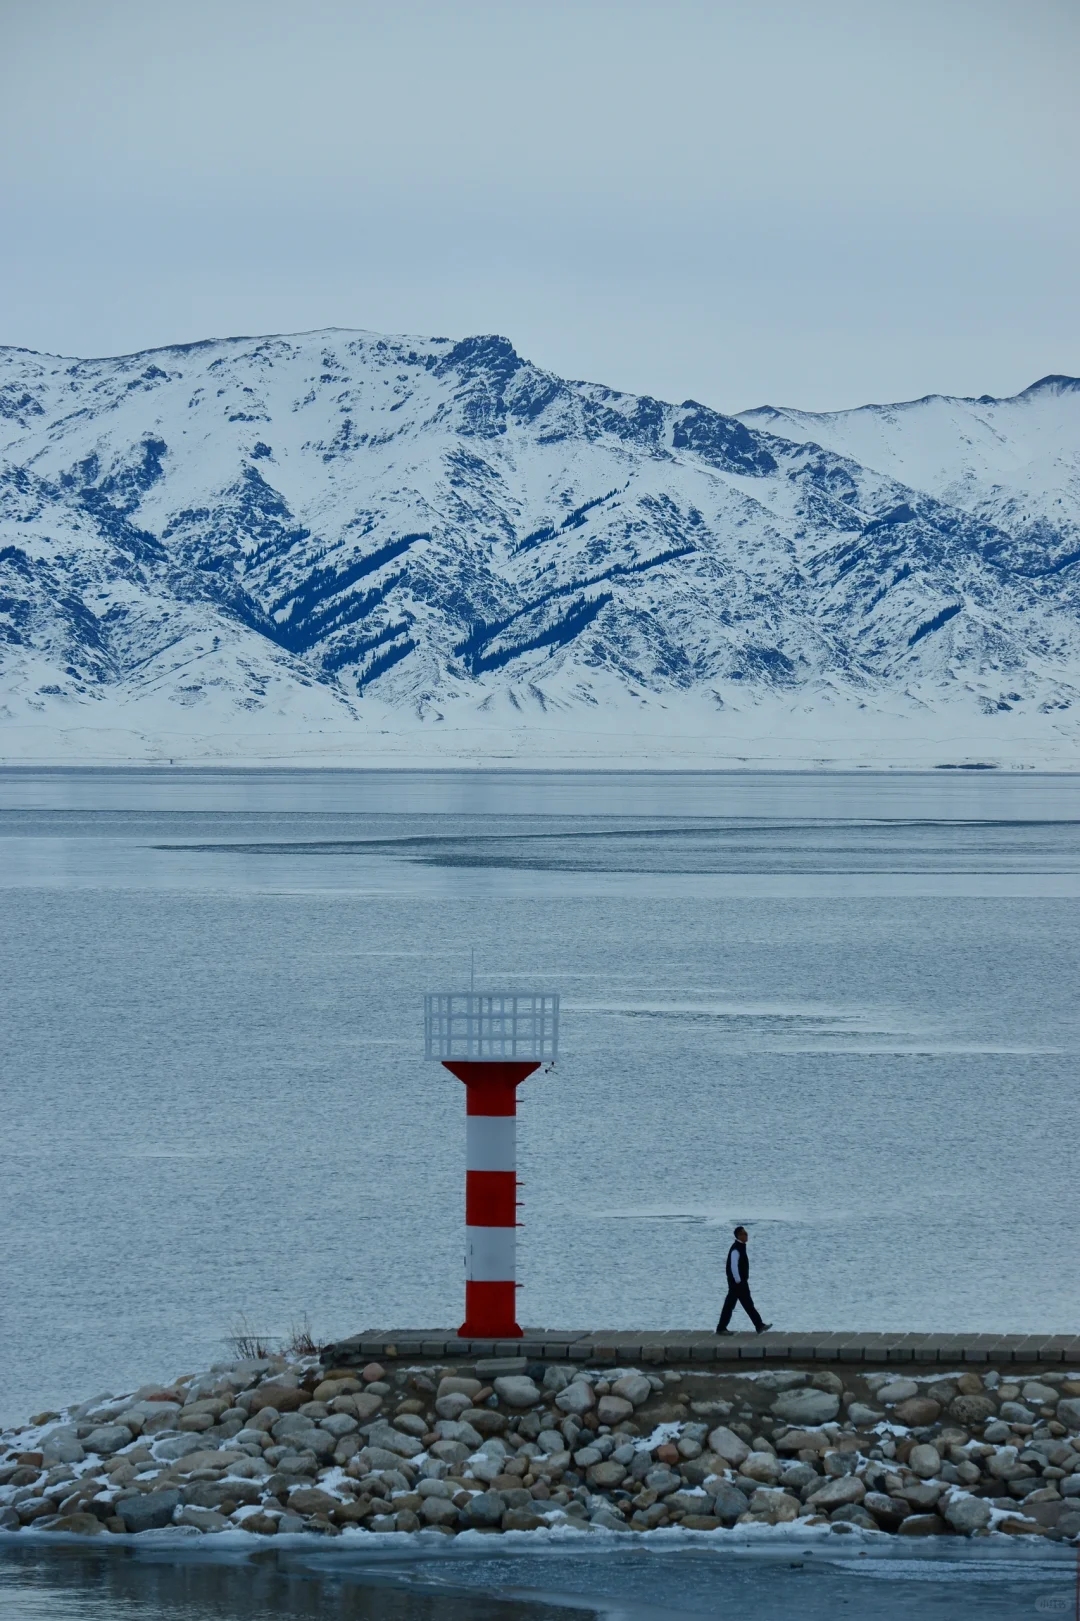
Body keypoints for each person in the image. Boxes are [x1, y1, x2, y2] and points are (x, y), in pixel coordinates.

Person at [715, 1225, 772, 1334]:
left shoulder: (741, 1247)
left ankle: (759, 1325)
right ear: (739, 1236)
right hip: (737, 1283)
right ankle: (721, 1328)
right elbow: (733, 1266)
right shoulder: (736, 1249)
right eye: (744, 1234)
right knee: (731, 1305)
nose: (746, 1235)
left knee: (746, 1304)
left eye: (746, 1233)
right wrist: (738, 1280)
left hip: (740, 1283)